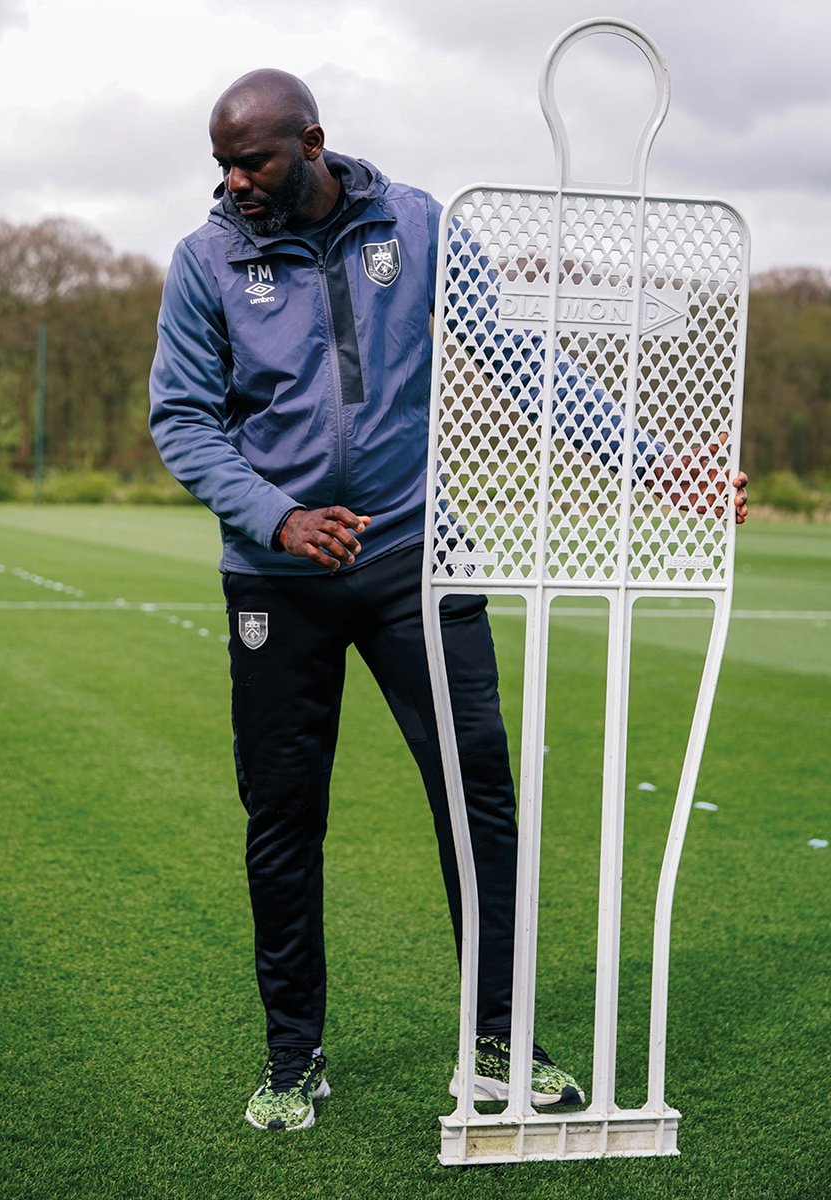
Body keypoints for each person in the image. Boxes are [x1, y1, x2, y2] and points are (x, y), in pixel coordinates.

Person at [149, 68, 749, 1133]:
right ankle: (295, 1058)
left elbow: (523, 362)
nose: (235, 182)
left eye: (255, 161)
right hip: (278, 580)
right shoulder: (204, 263)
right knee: (283, 821)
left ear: (314, 144)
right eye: (224, 165)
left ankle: (500, 1043)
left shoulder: (419, 226)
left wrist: (659, 466)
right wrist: (279, 516)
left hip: (420, 558)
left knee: (480, 808)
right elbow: (185, 421)